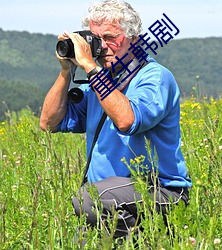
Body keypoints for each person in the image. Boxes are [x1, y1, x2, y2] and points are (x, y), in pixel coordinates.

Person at [40, 0, 192, 244]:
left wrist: (90, 67)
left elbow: (127, 120)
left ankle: (146, 241)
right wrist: (66, 70)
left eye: (110, 37)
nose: (102, 47)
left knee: (88, 200)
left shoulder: (154, 77)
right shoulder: (98, 85)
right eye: (95, 39)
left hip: (160, 192)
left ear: (134, 38)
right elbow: (49, 123)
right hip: (110, 199)